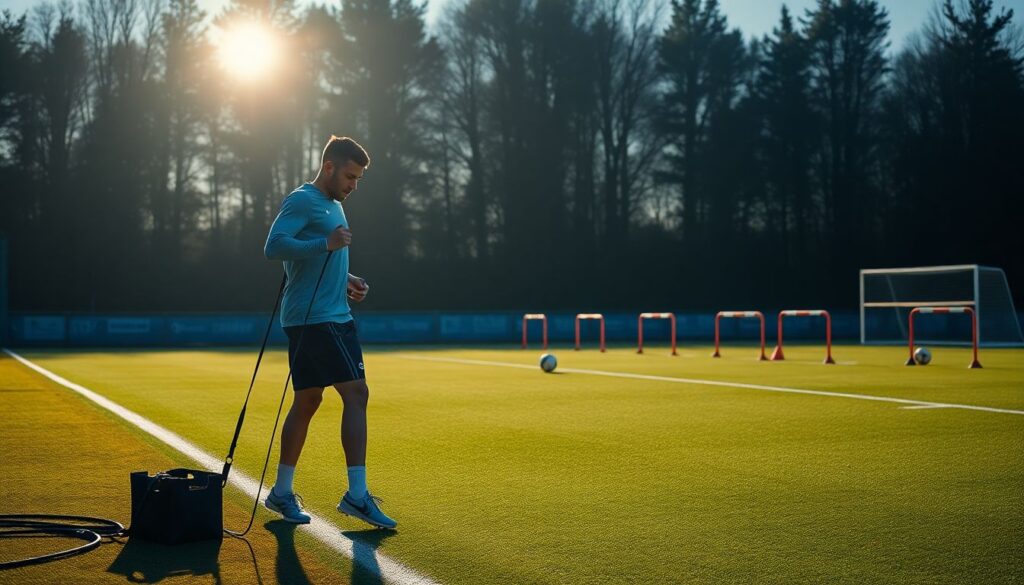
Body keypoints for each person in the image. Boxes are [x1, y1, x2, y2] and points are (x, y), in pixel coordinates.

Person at [262, 135, 396, 529]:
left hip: (325, 311)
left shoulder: (334, 204)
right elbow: (274, 247)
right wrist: (326, 243)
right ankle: (357, 496)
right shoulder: (303, 199)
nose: (354, 186)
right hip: (317, 318)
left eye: (358, 179)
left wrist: (348, 279)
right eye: (350, 177)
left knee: (307, 402)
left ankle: (281, 492)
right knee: (356, 393)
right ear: (329, 167)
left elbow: (323, 256)